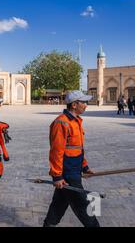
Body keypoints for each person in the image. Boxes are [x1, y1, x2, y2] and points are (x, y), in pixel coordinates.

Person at [43, 90, 100, 227]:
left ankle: (48, 225)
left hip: (74, 169)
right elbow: (57, 151)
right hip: (67, 173)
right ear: (74, 105)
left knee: (59, 203)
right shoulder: (61, 123)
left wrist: (84, 166)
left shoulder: (76, 121)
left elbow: (77, 148)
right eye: (84, 102)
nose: (86, 105)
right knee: (83, 206)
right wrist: (57, 176)